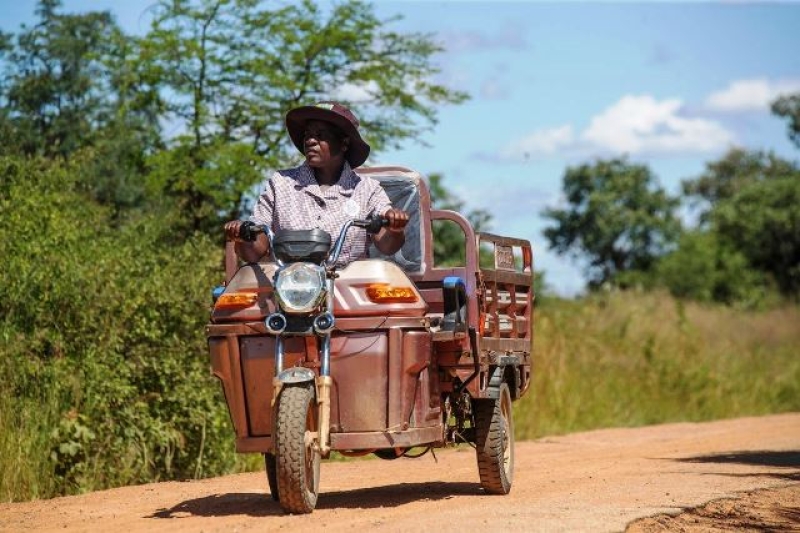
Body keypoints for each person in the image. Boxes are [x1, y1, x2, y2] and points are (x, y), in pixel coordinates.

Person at [225, 101, 409, 264]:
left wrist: (395, 228)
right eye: (307, 134)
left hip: (347, 286)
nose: (310, 141)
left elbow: (387, 245)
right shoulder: (280, 183)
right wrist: (243, 236)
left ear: (344, 143)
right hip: (288, 287)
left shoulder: (367, 189)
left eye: (321, 135)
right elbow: (256, 248)